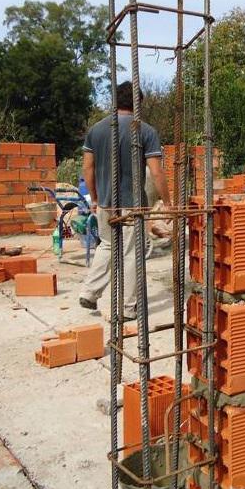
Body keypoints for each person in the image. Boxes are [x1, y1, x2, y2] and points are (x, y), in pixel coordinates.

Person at [79, 81, 171, 314]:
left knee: (107, 245)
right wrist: (168, 203)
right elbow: (156, 172)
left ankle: (89, 292)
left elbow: (87, 168)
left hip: (105, 203)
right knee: (131, 254)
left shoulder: (96, 130)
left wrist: (95, 198)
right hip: (132, 205)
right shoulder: (145, 131)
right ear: (138, 103)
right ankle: (129, 308)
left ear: (115, 101)